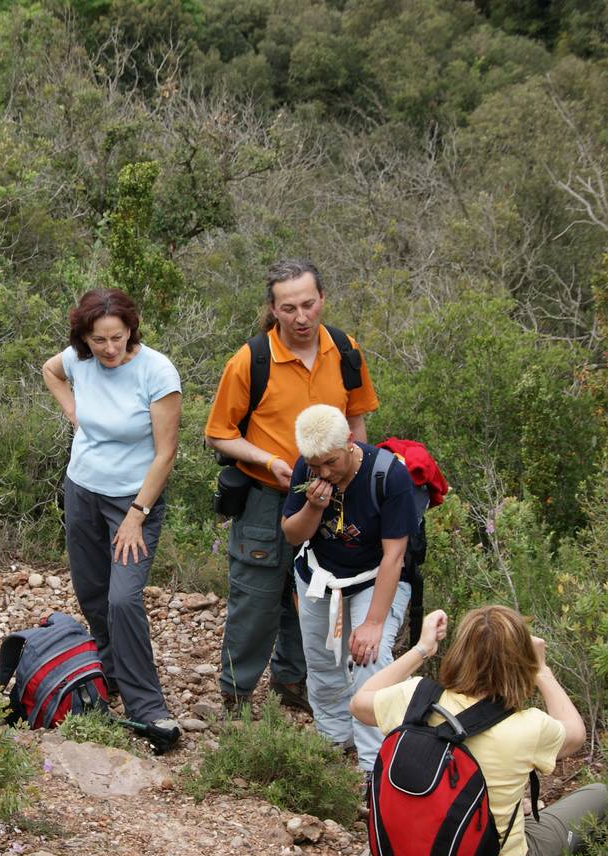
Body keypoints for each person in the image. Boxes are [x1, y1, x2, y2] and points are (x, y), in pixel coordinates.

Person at [204, 259, 379, 714]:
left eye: (308, 304)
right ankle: (236, 694)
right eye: (289, 308)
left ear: (322, 299)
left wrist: (357, 478)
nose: (301, 317)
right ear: (273, 309)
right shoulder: (251, 360)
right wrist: (271, 461)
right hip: (266, 495)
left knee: (316, 592)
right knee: (256, 597)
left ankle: (292, 681)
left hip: (332, 495)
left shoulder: (344, 349)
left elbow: (356, 419)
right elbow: (218, 433)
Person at [351, 606, 608, 856]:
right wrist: (542, 671)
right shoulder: (529, 726)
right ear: (520, 660)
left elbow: (359, 702)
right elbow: (576, 734)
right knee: (603, 794)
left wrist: (422, 649)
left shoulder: (416, 697)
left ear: (460, 650)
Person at [41, 288, 183, 752]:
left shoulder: (156, 371)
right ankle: (110, 673)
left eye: (116, 338)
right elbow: (51, 370)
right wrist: (72, 412)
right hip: (81, 488)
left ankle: (148, 707)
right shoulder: (78, 358)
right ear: (84, 337)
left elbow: (165, 454)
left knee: (124, 598)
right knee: (92, 591)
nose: (108, 349)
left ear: (130, 330)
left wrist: (136, 516)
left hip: (132, 498)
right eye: (99, 340)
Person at [281, 404, 414, 772]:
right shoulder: (307, 469)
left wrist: (372, 623)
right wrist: (313, 508)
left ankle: (374, 765)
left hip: (374, 577)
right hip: (319, 574)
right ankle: (334, 739)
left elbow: (394, 555)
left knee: (369, 658)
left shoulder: (388, 476)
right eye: (315, 464)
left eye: (331, 463)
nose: (323, 472)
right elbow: (292, 533)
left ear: (350, 442)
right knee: (322, 662)